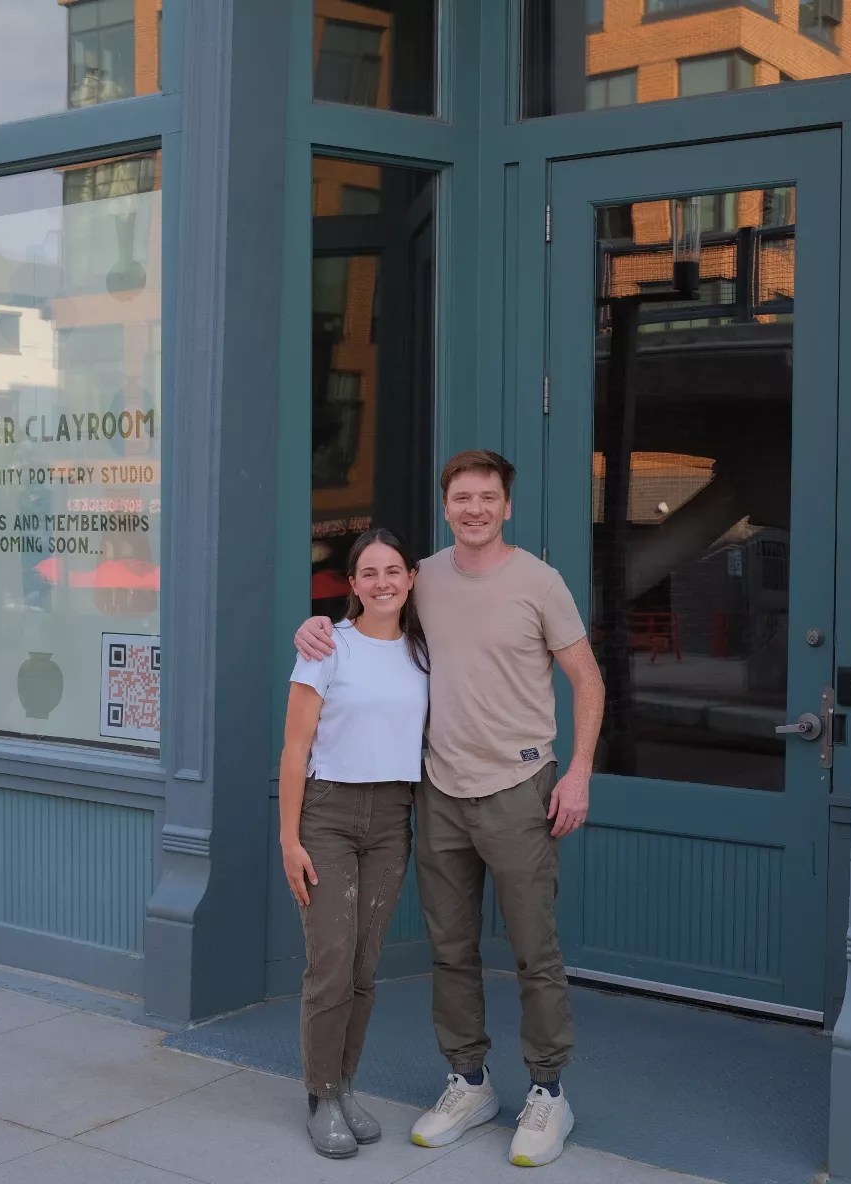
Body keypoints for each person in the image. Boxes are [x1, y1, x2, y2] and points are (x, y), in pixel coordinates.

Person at [295, 450, 605, 1168]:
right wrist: (309, 628)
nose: (474, 509)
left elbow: (587, 681)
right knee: (452, 949)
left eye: (487, 497)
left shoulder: (540, 582)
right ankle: (469, 1080)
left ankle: (549, 1092)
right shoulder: (422, 576)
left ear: (507, 506)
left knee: (535, 950)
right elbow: (361, 624)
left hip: (521, 787)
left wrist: (579, 772)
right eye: (461, 497)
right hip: (438, 791)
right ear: (446, 507)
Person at [280, 528, 431, 1159]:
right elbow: (294, 749)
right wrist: (289, 839)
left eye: (393, 571)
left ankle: (345, 1085)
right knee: (331, 962)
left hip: (393, 814)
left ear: (411, 580)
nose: (383, 582)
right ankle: (319, 1095)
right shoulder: (326, 647)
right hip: (329, 813)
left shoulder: (425, 651)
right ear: (353, 584)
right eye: (369, 573)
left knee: (366, 966)